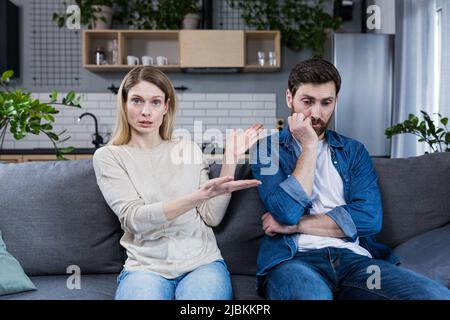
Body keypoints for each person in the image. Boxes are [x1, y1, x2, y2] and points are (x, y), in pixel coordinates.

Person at [251, 58, 450, 300]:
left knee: (433, 295)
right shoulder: (267, 150)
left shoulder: (354, 151)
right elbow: (285, 211)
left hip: (355, 262)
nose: (316, 113)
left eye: (326, 102)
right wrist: (310, 148)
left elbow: (369, 218)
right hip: (294, 260)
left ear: (336, 101)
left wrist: (294, 226)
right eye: (307, 101)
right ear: (289, 98)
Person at [92, 66, 262, 300]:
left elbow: (211, 216)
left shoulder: (187, 148)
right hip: (145, 268)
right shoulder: (109, 157)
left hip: (201, 264)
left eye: (155, 102)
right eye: (137, 101)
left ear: (166, 107)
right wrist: (195, 197)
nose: (145, 111)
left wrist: (230, 159)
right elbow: (134, 219)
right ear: (123, 104)